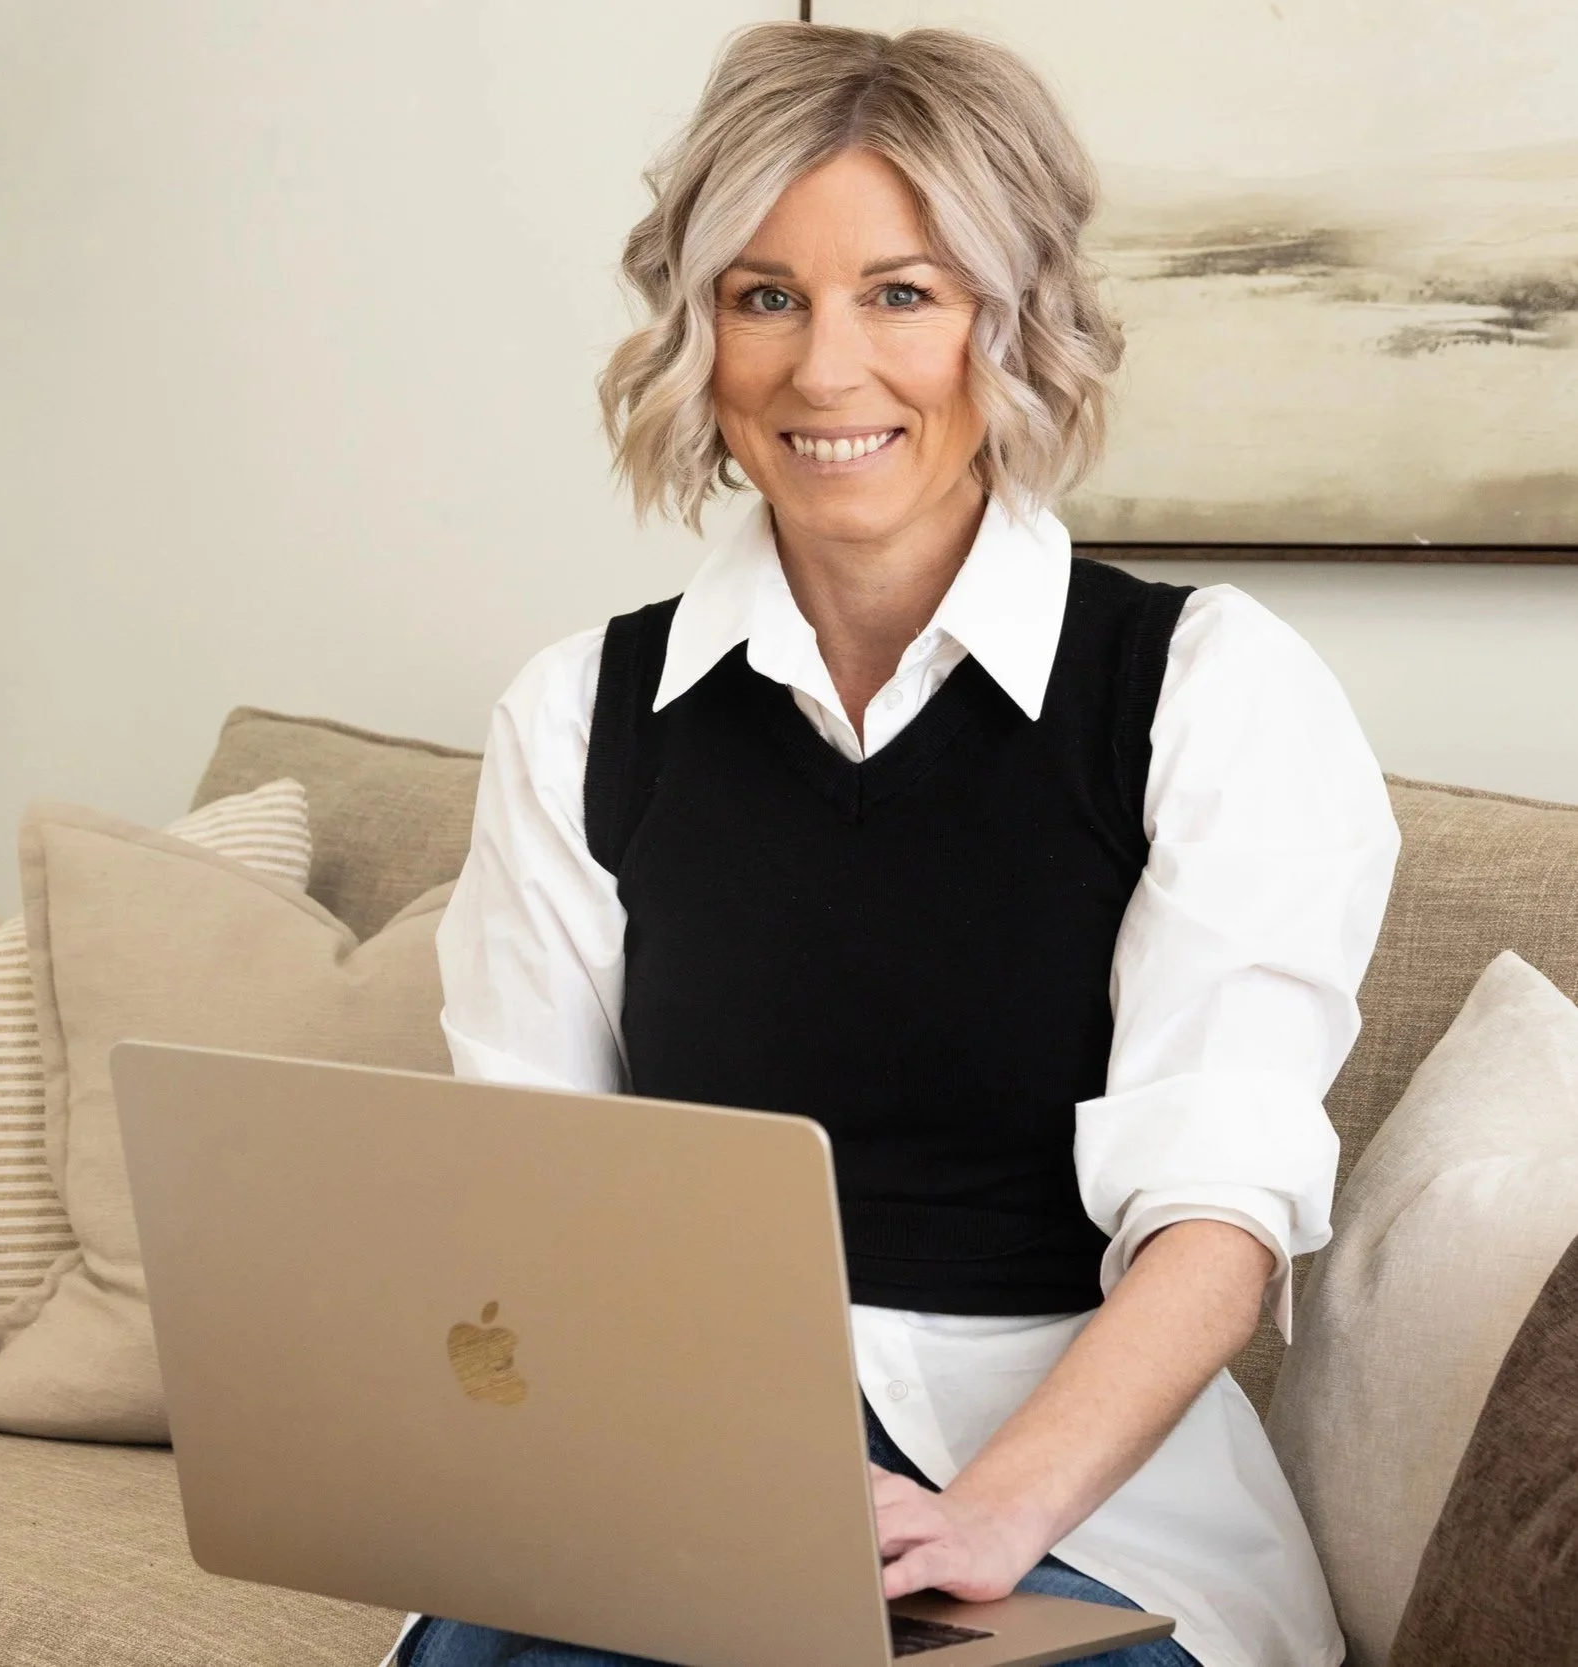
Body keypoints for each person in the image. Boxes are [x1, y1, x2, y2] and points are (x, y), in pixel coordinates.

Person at [395, 21, 1399, 1667]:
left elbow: (1215, 1219)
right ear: (697, 328)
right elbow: (526, 1205)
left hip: (1078, 1501)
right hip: (679, 1480)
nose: (821, 372)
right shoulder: (579, 710)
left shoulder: (1207, 688)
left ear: (1015, 326)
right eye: (763, 294)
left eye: (903, 294)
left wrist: (994, 1509)